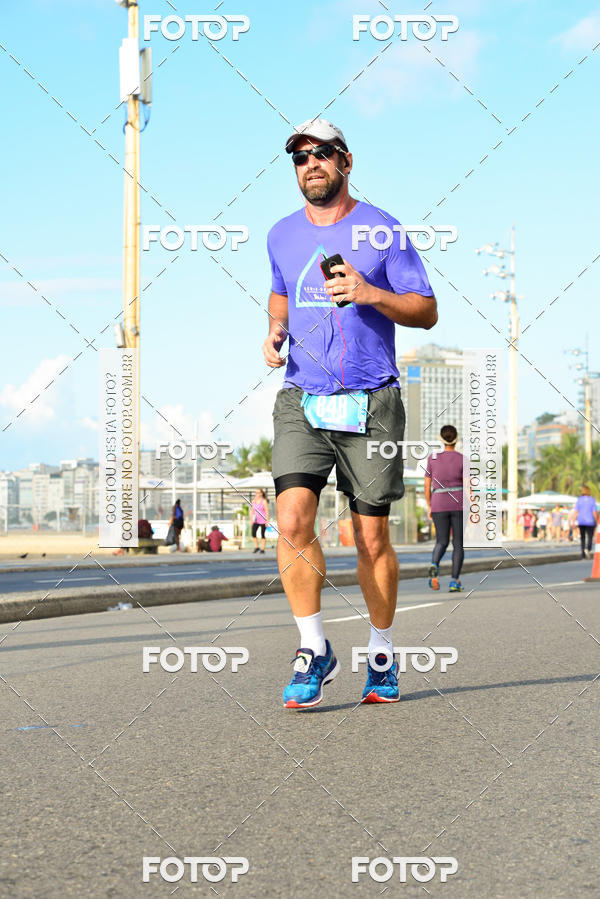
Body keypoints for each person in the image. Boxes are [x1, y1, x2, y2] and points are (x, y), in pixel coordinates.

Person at [263, 118, 437, 708]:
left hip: (372, 399)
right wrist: (275, 329)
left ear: (346, 161)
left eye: (321, 155)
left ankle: (382, 653)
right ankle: (314, 649)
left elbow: (426, 309)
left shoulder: (383, 230)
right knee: (290, 521)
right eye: (299, 158)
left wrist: (370, 294)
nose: (310, 164)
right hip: (302, 398)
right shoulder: (281, 234)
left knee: (370, 538)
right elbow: (280, 291)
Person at [424, 425, 464, 593]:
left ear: (441, 439)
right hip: (459, 504)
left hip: (439, 503)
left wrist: (429, 505)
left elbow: (427, 485)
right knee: (458, 544)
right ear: (456, 439)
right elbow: (469, 487)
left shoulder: (432, 458)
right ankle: (454, 582)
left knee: (441, 542)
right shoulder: (463, 459)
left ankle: (434, 565)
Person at [574, 485, 598, 558]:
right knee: (590, 536)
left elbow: (576, 511)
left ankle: (583, 554)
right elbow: (594, 512)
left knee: (583, 537)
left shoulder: (579, 499)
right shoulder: (592, 500)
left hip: (581, 520)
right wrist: (596, 520)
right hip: (590, 520)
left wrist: (573, 520)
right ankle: (588, 548)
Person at [251, 489, 269, 554]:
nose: (257, 494)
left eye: (258, 492)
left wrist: (267, 521)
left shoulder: (264, 501)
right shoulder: (254, 501)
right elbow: (252, 511)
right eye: (256, 492)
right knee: (253, 533)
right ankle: (256, 547)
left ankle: (262, 549)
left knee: (262, 534)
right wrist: (251, 520)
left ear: (261, 493)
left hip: (263, 520)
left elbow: (267, 511)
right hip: (256, 520)